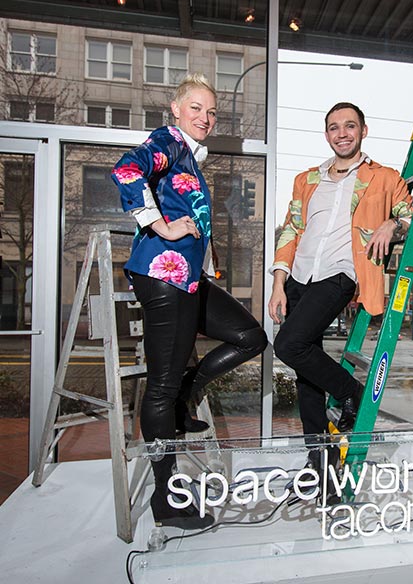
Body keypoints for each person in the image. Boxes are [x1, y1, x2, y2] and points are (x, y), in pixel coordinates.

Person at [112, 72, 267, 530]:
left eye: (212, 111)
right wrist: (160, 227)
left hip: (187, 278)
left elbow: (189, 213)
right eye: (196, 108)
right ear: (177, 111)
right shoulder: (168, 141)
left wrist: (204, 253)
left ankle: (187, 392)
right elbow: (126, 170)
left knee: (249, 336)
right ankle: (166, 498)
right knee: (160, 384)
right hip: (163, 275)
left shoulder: (190, 158)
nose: (206, 117)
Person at [268, 101, 413, 447]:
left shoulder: (384, 177)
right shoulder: (307, 180)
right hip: (298, 277)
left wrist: (391, 224)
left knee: (288, 344)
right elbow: (291, 231)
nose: (342, 133)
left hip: (341, 273)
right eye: (334, 127)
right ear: (326, 134)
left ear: (363, 131)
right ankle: (318, 458)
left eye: (350, 126)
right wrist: (278, 283)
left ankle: (352, 391)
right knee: (305, 372)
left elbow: (412, 219)